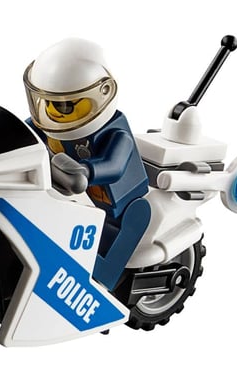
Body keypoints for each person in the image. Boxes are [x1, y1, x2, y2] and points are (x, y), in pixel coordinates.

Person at [23, 38, 150, 290]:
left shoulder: (117, 134)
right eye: (48, 102)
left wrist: (86, 171)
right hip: (79, 200)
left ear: (103, 93)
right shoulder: (48, 124)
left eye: (66, 105)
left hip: (121, 210)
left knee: (101, 263)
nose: (54, 112)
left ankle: (101, 290)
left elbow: (114, 165)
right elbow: (24, 133)